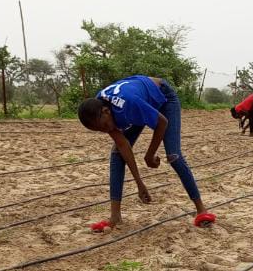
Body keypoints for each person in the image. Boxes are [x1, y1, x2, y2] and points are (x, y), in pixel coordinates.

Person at [77, 75, 216, 233]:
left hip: (163, 98)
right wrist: (139, 183)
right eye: (101, 130)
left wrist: (150, 154)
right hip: (140, 103)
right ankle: (115, 217)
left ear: (106, 111)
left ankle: (201, 210)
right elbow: (123, 145)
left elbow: (162, 123)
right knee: (116, 154)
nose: (107, 130)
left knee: (173, 155)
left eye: (105, 125)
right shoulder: (97, 109)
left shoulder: (126, 105)